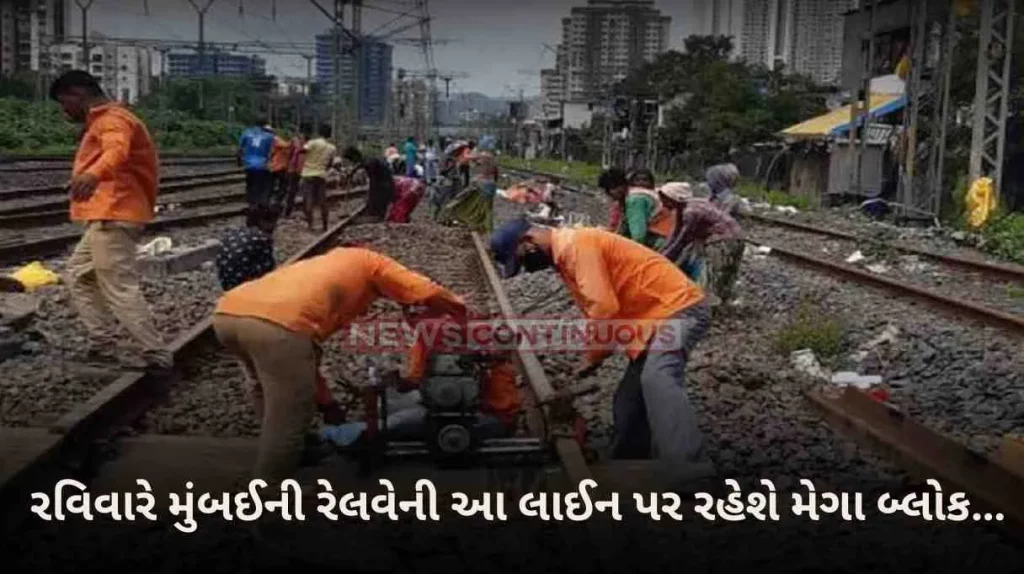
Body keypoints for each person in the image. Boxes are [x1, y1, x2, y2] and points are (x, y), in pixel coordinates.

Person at [489, 218, 715, 490]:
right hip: (651, 321)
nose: (528, 267)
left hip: (678, 309)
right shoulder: (567, 257)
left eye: (523, 260)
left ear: (528, 242)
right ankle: (630, 465)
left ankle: (693, 469)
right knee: (628, 401)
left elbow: (604, 309)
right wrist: (596, 353)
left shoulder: (577, 245)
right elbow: (603, 310)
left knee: (658, 377)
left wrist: (593, 355)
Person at [212, 245, 468, 482]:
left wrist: (327, 403)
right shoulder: (376, 264)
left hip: (228, 313)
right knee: (289, 418)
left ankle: (295, 453)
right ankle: (267, 499)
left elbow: (305, 357)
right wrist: (461, 312)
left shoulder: (332, 268)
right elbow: (424, 289)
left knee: (264, 387)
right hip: (276, 327)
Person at [49, 70, 172, 375]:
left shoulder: (113, 120)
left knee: (118, 285)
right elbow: (111, 159)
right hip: (108, 214)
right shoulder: (105, 121)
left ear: (78, 94)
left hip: (115, 214)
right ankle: (102, 344)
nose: (64, 111)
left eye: (64, 103)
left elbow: (116, 151)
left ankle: (155, 352)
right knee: (79, 275)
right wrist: (82, 179)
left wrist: (93, 175)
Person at [215, 204, 345, 425]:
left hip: (230, 298)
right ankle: (285, 421)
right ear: (266, 222)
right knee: (275, 374)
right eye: (273, 223)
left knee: (253, 375)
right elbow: (267, 274)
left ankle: (263, 419)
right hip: (253, 300)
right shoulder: (262, 240)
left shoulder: (232, 234)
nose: (274, 228)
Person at [320, 312, 520, 447]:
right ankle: (356, 427)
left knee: (399, 420)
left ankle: (334, 435)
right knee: (394, 403)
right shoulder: (446, 333)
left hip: (488, 418)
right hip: (461, 405)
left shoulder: (493, 364)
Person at [437, 138, 499, 234]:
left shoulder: (482, 155)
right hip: (491, 185)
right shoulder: (493, 158)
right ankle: (484, 226)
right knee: (485, 208)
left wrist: (463, 149)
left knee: (460, 199)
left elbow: (466, 157)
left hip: (480, 183)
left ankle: (448, 215)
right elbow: (495, 174)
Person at [620, 168, 675, 250]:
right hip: (669, 236)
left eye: (645, 180)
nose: (641, 183)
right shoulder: (656, 194)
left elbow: (638, 232)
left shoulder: (637, 198)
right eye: (637, 180)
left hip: (657, 239)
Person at [341, 146, 395, 224]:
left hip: (385, 186)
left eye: (351, 160)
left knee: (375, 198)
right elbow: (360, 165)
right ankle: (374, 212)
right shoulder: (366, 159)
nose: (352, 162)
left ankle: (376, 216)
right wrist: (352, 172)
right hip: (385, 184)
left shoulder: (369, 163)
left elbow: (374, 182)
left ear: (354, 157)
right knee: (372, 198)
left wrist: (370, 197)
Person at [299, 124, 336, 233]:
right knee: (322, 201)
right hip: (321, 175)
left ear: (319, 132)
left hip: (307, 174)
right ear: (329, 134)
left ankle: (311, 226)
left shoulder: (312, 143)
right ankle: (325, 226)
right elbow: (330, 163)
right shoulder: (332, 148)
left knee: (308, 200)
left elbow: (302, 151)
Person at [237, 119, 276, 207]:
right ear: (265, 125)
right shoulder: (270, 136)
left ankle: (251, 203)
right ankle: (261, 203)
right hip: (262, 166)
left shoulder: (246, 133)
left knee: (250, 184)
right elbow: (272, 152)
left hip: (249, 165)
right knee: (263, 185)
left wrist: (239, 161)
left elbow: (239, 150)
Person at [282, 124, 308, 218]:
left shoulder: (295, 141)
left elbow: (289, 154)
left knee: (293, 191)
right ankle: (303, 212)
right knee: (297, 191)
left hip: (297, 169)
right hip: (300, 169)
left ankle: (288, 212)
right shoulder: (307, 142)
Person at [597, 167, 628, 232]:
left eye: (607, 190)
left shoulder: (634, 201)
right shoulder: (619, 204)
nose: (608, 195)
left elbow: (638, 235)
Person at [267, 128, 291, 207]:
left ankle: (271, 200)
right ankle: (276, 201)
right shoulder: (275, 139)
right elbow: (286, 145)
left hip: (274, 166)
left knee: (272, 185)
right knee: (282, 186)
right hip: (279, 166)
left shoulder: (267, 140)